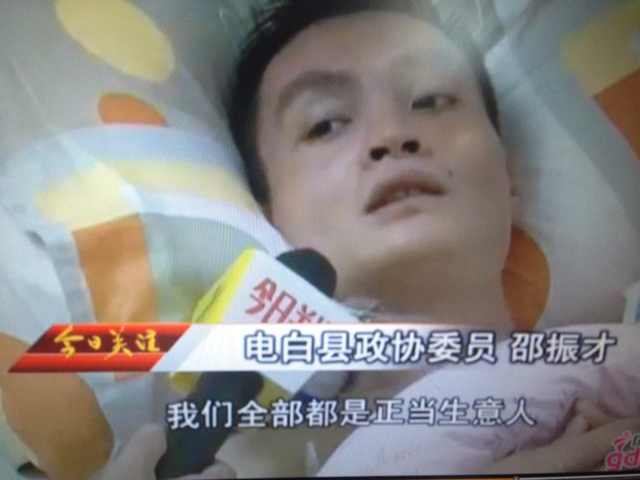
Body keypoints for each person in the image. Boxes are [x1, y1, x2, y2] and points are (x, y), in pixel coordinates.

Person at [97, 0, 640, 477]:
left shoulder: (614, 375)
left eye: (430, 99)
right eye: (325, 124)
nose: (390, 136)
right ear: (268, 215)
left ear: (510, 176)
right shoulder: (211, 456)